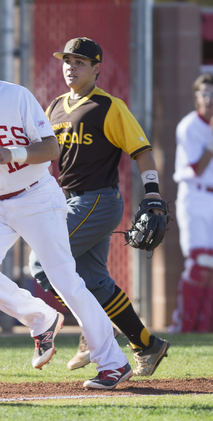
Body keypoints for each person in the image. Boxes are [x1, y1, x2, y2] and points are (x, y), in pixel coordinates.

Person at [0, 30, 132, 390]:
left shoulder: (14, 96)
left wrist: (14, 153)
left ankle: (113, 362)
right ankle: (42, 318)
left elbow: (50, 149)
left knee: (65, 279)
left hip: (35, 195)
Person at [28, 37, 170, 376]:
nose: (71, 67)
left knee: (42, 264)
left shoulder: (108, 106)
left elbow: (142, 150)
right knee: (94, 281)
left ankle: (94, 330)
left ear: (96, 68)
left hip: (98, 200)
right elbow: (45, 154)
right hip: (69, 201)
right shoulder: (56, 106)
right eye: (67, 61)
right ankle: (146, 343)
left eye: (79, 62)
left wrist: (152, 192)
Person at [169, 73, 213, 333]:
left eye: (212, 95)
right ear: (196, 98)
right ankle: (183, 326)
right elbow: (197, 168)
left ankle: (205, 328)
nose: (208, 100)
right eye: (204, 95)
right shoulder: (189, 126)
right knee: (198, 264)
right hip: (194, 194)